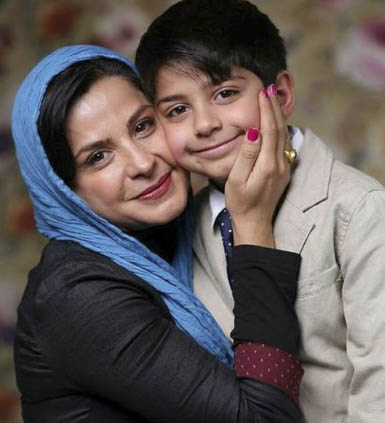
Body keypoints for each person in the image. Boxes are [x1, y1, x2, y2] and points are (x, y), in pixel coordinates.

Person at [135, 1, 385, 422]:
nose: (204, 124)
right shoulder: (184, 227)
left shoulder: (357, 209)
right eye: (177, 110)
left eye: (225, 93)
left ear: (281, 94)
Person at [11, 44, 306, 422]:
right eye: (98, 157)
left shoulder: (184, 230)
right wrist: (252, 225)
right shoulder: (75, 296)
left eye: (142, 126)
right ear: (64, 190)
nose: (142, 163)